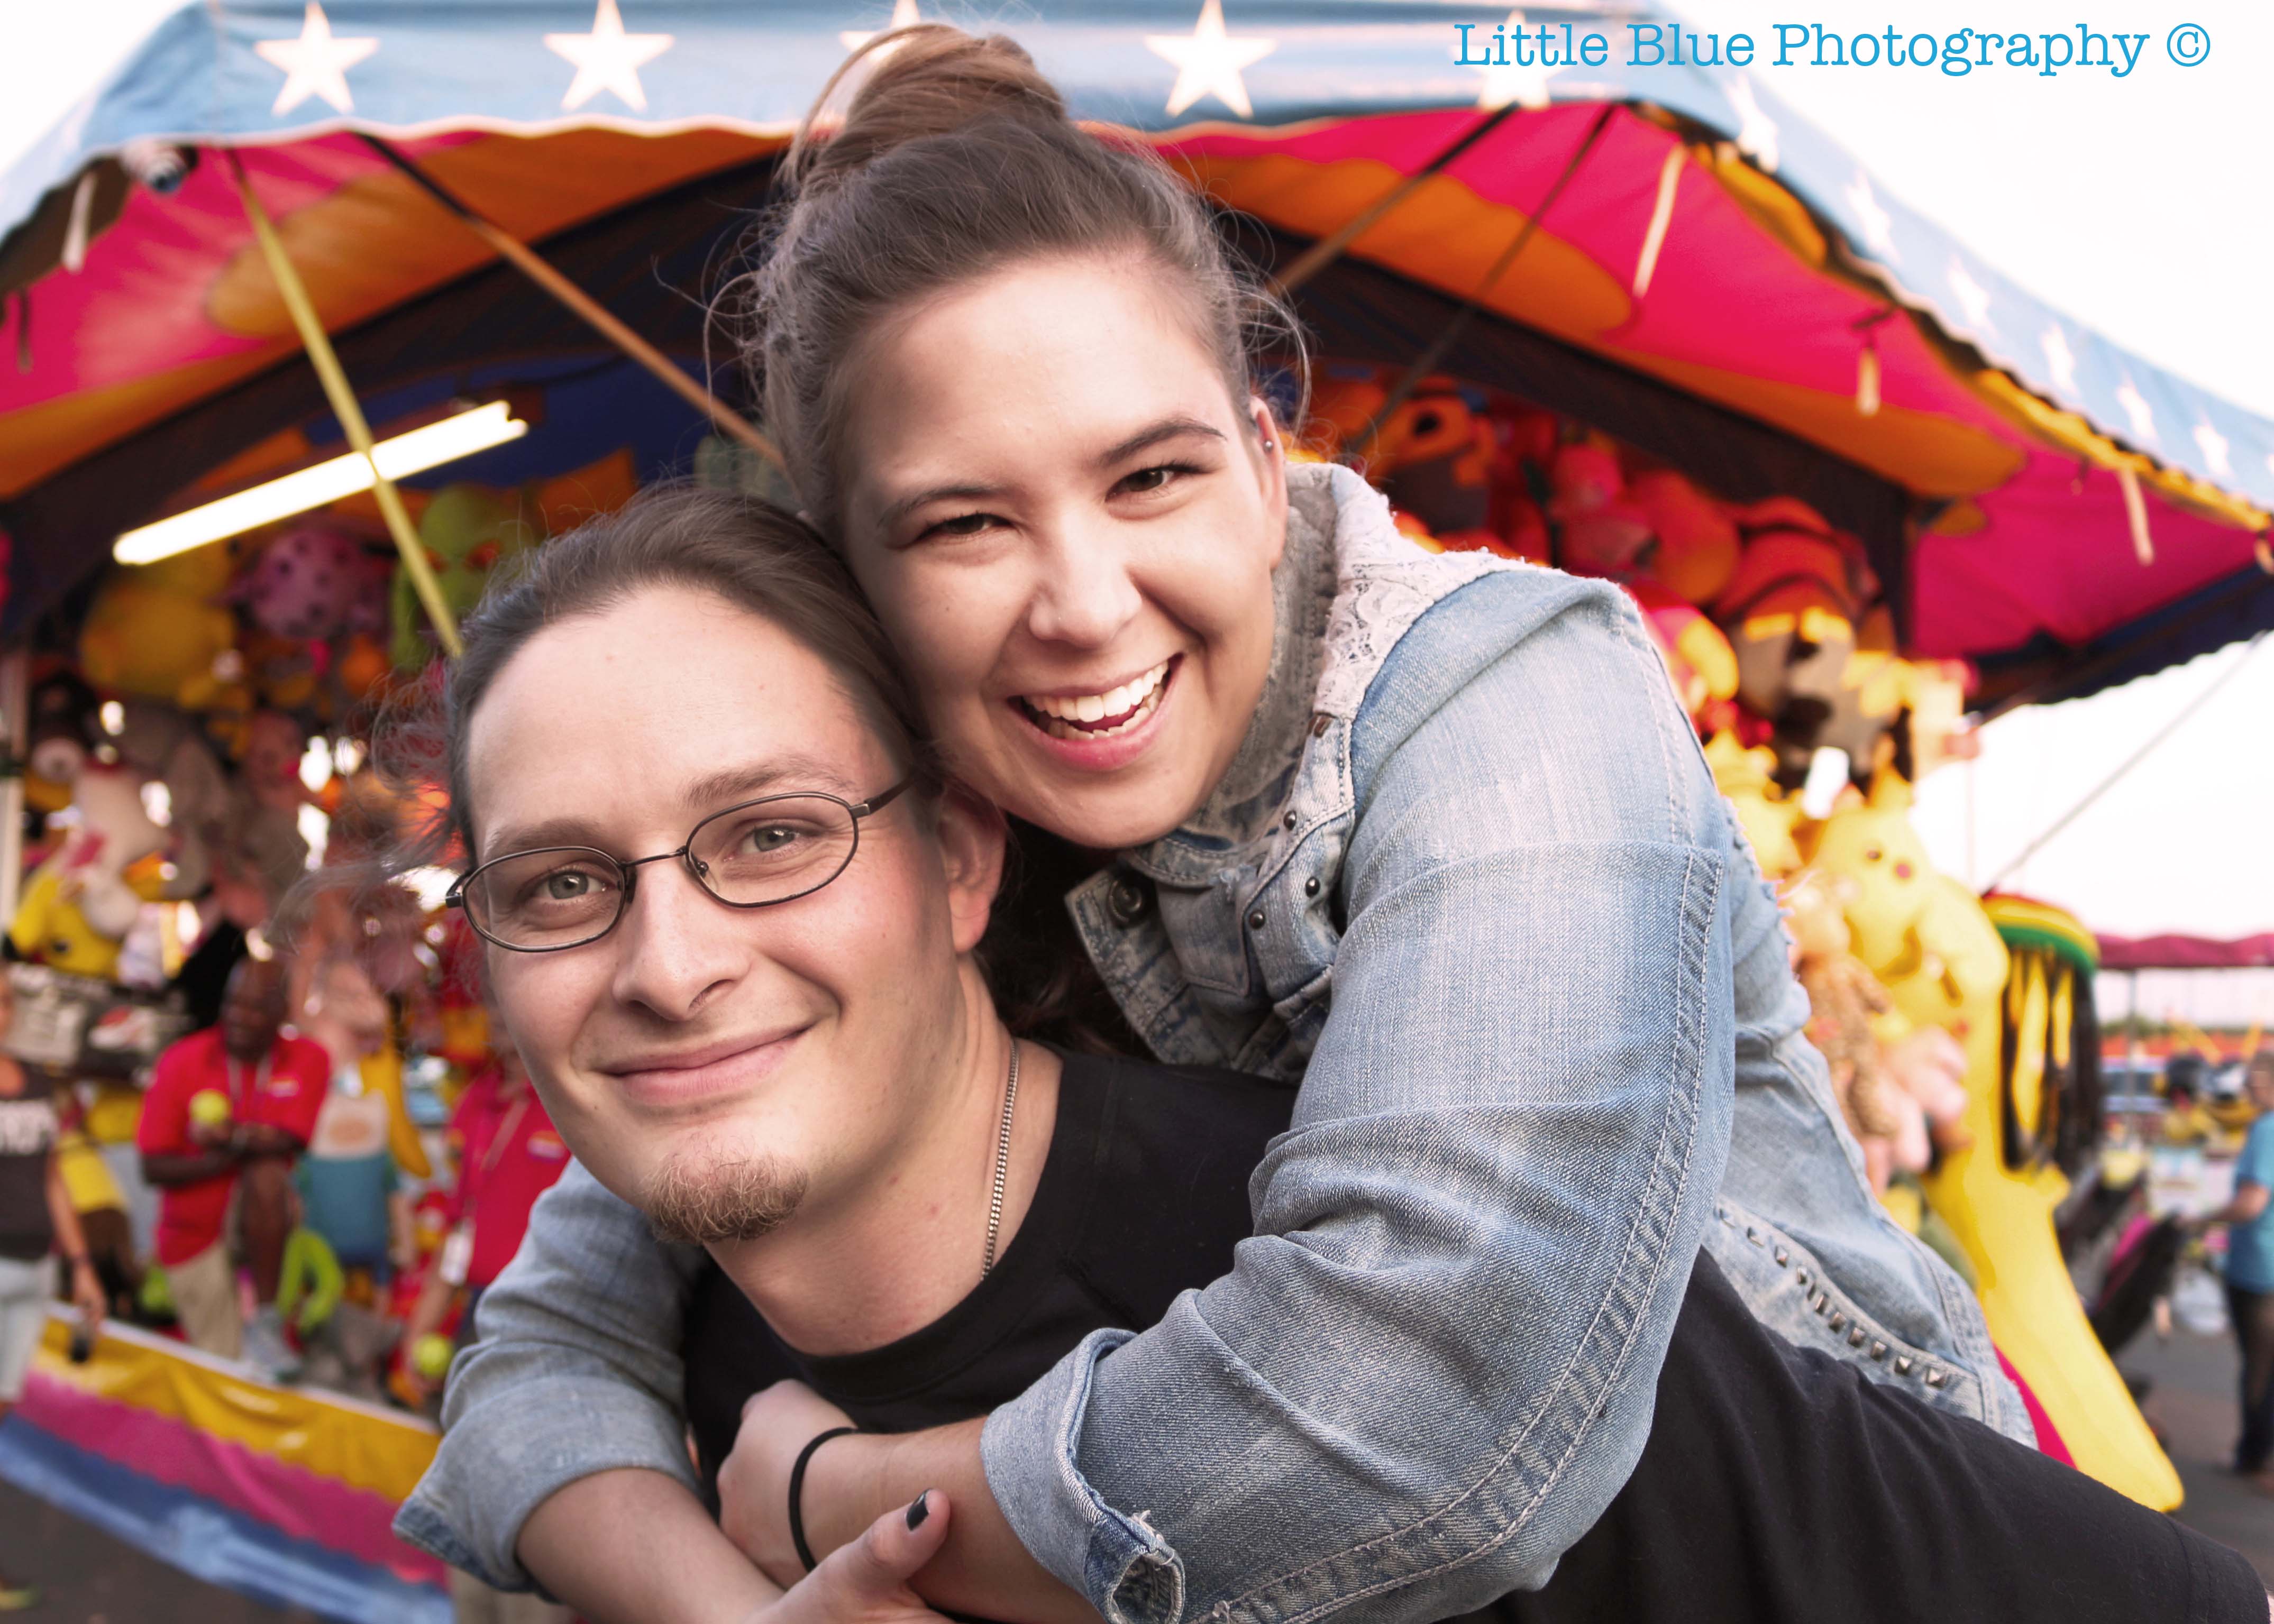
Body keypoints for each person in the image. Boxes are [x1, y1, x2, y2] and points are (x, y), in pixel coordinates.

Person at [413, 28, 2025, 1621]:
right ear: (855, 569)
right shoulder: (925, 795)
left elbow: (1427, 1428)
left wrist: (832, 1489)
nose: (1082, 604)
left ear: (1266, 465)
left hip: (1849, 1546)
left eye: (1149, 479)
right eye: (966, 521)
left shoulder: (1513, 698)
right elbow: (547, 1352)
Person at [402, 495, 2267, 1624]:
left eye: (771, 835)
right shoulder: (655, 1378)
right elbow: (528, 1374)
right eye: (559, 883)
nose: (666, 961)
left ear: (960, 852)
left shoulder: (1392, 1279)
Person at [135, 956, 327, 1371]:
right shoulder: (182, 1059)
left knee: (268, 1172)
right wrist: (228, 1153)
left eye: (255, 1006)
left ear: (282, 1012)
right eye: (233, 1003)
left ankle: (267, 1320)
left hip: (263, 1228)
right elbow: (152, 1167)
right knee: (220, 1366)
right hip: (193, 1235)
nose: (239, 1017)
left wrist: (230, 1137)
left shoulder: (309, 1058)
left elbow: (291, 1139)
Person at [0, 977, 107, 1612]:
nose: (2, 1011)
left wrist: (83, 1266)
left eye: (8, 1000)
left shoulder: (37, 1079)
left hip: (35, 1270)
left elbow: (53, 1178)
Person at [2198, 1052, 2274, 1488]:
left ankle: (2253, 1456)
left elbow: (2251, 1203)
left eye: (2253, 1078)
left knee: (2258, 1369)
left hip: (2258, 1269)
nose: (2246, 1086)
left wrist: (2204, 1218)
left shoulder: (2265, 1129)